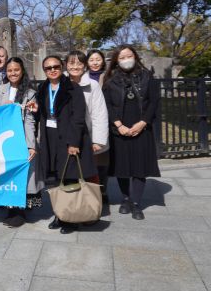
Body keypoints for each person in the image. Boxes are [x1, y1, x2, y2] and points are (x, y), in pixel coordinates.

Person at [36, 56, 96, 234]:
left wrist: (74, 142)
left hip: (68, 138)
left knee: (70, 179)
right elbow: (44, 111)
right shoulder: (42, 88)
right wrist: (35, 107)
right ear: (44, 70)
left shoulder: (72, 88)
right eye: (48, 68)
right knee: (54, 179)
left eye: (55, 66)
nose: (52, 70)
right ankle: (60, 215)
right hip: (49, 138)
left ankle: (71, 219)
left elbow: (78, 117)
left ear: (61, 67)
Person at [103, 45, 160, 220]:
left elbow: (153, 102)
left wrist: (143, 123)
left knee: (139, 167)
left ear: (135, 57)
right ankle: (125, 198)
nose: (126, 60)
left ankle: (136, 203)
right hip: (119, 129)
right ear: (116, 61)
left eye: (129, 56)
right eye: (122, 57)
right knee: (122, 166)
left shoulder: (147, 76)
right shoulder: (110, 80)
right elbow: (107, 105)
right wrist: (118, 125)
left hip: (141, 127)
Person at [0, 58, 43, 227]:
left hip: (21, 139)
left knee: (24, 174)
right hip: (4, 141)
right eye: (10, 70)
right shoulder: (0, 90)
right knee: (8, 174)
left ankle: (20, 211)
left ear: (22, 71)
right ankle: (9, 208)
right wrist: (3, 109)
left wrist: (31, 145)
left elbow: (30, 121)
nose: (13, 73)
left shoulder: (30, 93)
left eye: (16, 70)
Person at [66, 51, 110, 203]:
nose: (75, 67)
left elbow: (99, 113)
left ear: (85, 66)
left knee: (89, 172)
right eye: (72, 63)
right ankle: (71, 205)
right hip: (67, 137)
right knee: (69, 172)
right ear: (66, 65)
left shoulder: (93, 85)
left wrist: (98, 140)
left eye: (79, 63)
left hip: (87, 136)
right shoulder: (61, 83)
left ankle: (92, 204)